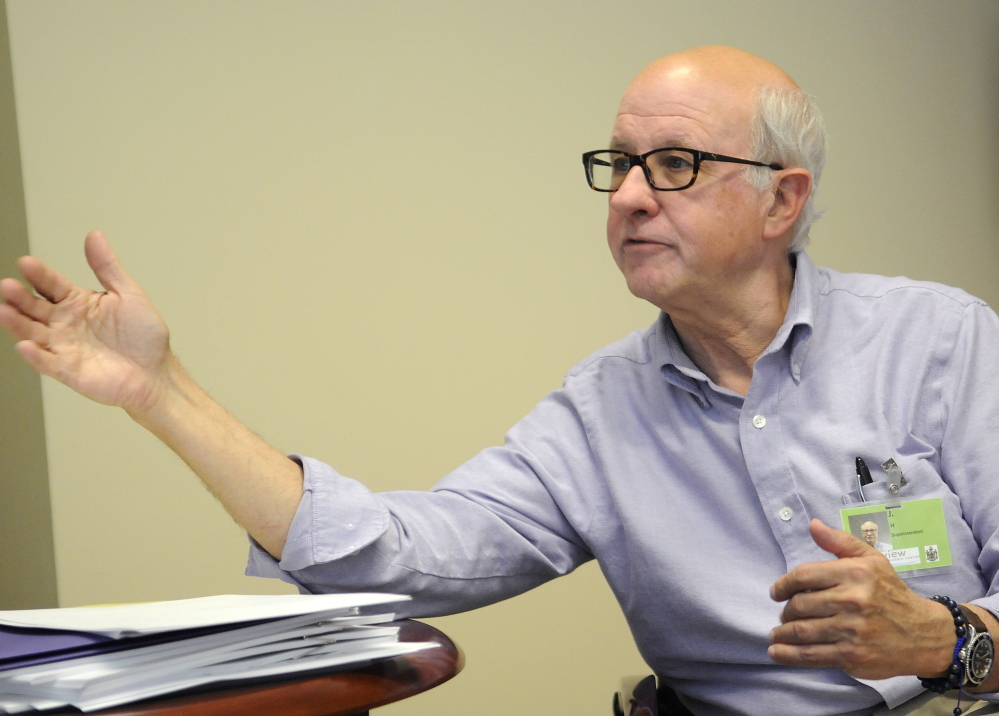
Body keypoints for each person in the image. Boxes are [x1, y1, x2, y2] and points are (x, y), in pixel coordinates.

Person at [2, 45, 998, 715]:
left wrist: (941, 638)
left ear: (782, 199)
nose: (633, 195)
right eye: (620, 163)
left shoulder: (940, 341)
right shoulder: (602, 413)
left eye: (677, 163)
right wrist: (161, 391)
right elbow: (393, 555)